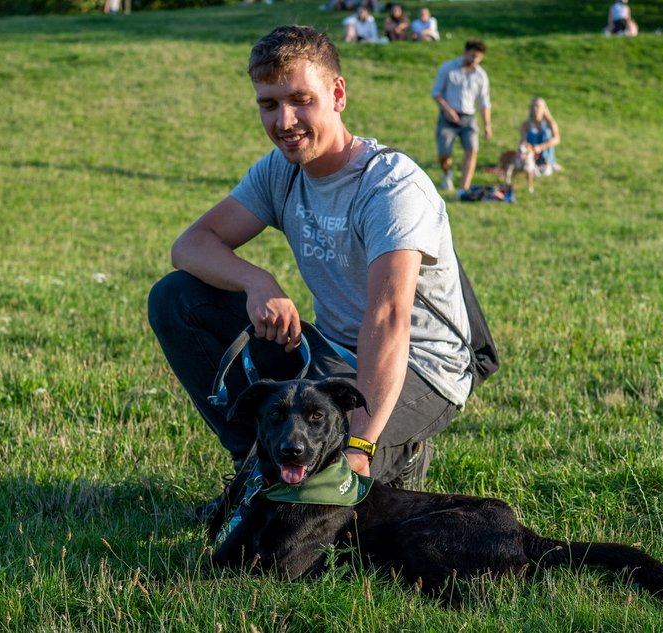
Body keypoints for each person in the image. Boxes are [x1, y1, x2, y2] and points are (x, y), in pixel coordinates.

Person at [148, 25, 473, 508]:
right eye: (269, 104)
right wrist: (256, 280)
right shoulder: (280, 171)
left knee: (326, 495)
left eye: (301, 99)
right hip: (331, 354)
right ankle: (255, 469)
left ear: (337, 94)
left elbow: (388, 318)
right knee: (177, 298)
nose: (285, 120)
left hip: (421, 369)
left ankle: (398, 456)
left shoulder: (391, 186)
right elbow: (192, 245)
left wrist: (360, 444)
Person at [430, 39, 492, 193]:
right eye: (472, 56)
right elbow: (436, 93)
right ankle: (447, 175)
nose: (474, 60)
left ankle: (464, 187)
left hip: (469, 118)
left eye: (478, 57)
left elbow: (484, 102)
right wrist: (448, 110)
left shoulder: (481, 75)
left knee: (472, 149)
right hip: (448, 116)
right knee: (444, 152)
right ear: (465, 52)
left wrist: (487, 125)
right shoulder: (448, 69)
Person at [520, 97, 561, 176]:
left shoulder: (550, 123)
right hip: (532, 153)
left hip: (545, 152)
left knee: (547, 133)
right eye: (533, 106)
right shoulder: (526, 125)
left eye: (538, 106)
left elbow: (557, 139)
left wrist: (541, 147)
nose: (535, 109)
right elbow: (523, 142)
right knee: (532, 132)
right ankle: (533, 163)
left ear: (544, 109)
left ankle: (547, 163)